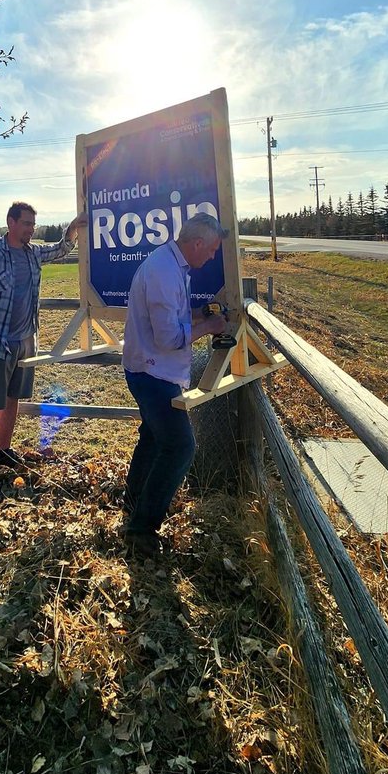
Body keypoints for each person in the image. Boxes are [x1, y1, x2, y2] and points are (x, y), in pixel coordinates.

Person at [121, 212, 231, 558]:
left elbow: (174, 317)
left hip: (151, 370)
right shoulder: (164, 272)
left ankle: (134, 498)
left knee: (154, 436)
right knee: (181, 446)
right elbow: (169, 337)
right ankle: (141, 530)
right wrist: (211, 326)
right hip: (153, 373)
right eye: (211, 250)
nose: (212, 256)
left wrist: (200, 314)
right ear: (197, 243)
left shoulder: (171, 265)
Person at [0, 202, 86, 481]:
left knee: (12, 397)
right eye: (27, 223)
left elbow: (60, 248)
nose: (32, 229)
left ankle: (3, 450)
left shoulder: (32, 253)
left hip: (25, 341)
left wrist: (73, 229)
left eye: (33, 224)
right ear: (11, 222)